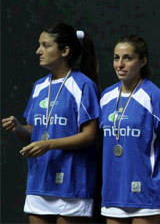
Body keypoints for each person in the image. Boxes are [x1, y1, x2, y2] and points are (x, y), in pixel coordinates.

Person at [2, 23, 100, 223]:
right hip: (40, 180)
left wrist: (49, 144)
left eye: (45, 46)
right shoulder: (39, 87)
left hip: (71, 183)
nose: (39, 51)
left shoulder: (83, 85)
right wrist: (19, 128)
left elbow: (89, 135)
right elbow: (35, 132)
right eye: (40, 45)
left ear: (64, 51)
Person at [99, 35, 160, 224]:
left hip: (147, 194)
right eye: (116, 58)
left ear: (142, 61)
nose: (120, 64)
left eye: (127, 58)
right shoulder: (106, 97)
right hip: (114, 192)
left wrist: (157, 180)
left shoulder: (154, 97)